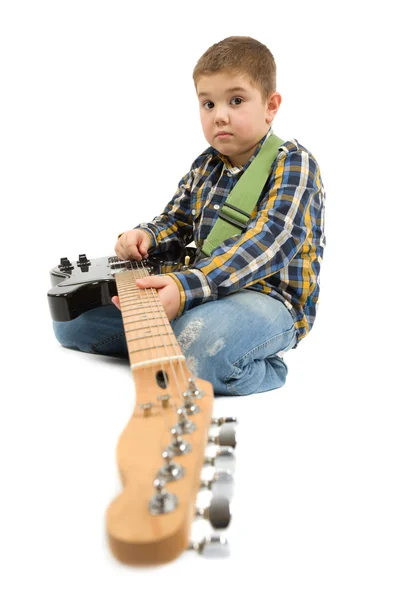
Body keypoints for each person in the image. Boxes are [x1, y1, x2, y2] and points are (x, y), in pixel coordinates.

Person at [53, 35, 326, 396]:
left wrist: (185, 289)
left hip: (266, 298)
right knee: (73, 322)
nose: (220, 115)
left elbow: (270, 241)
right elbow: (176, 221)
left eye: (237, 100)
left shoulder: (294, 163)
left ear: (270, 106)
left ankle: (254, 362)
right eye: (208, 104)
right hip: (200, 292)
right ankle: (175, 342)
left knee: (198, 345)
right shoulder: (206, 165)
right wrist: (145, 236)